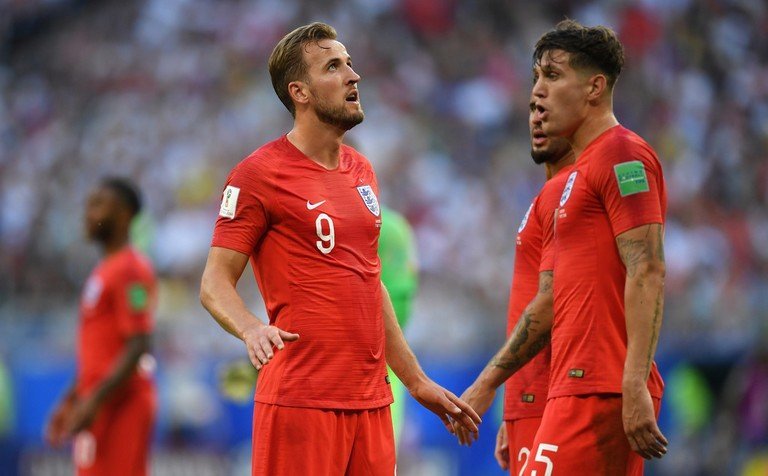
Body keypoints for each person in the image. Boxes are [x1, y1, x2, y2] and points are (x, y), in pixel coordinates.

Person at [199, 22, 479, 475]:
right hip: (301, 400)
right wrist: (251, 329)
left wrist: (415, 380)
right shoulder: (258, 174)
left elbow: (370, 282)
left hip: (372, 403)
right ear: (300, 92)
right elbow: (214, 282)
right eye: (333, 67)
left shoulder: (362, 171)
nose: (353, 75)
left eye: (349, 63)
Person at [464, 20, 668, 474]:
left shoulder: (623, 154)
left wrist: (634, 380)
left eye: (553, 76)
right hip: (571, 385)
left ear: (594, 87)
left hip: (600, 384)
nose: (537, 92)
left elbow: (648, 267)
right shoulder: (576, 177)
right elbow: (557, 293)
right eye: (536, 77)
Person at [454, 102, 575, 476]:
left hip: (556, 396)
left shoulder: (572, 192)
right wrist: (514, 407)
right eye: (533, 106)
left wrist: (487, 383)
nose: (538, 117)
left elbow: (552, 302)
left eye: (550, 104)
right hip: (532, 400)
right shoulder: (547, 196)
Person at [45, 178, 157, 476]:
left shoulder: (130, 270)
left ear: (123, 215)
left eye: (98, 205)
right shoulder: (105, 270)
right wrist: (72, 399)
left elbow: (139, 343)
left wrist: (93, 401)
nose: (88, 214)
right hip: (100, 401)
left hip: (122, 405)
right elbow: (99, 351)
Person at [377, 205, 419, 446]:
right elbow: (407, 286)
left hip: (376, 355)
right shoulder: (399, 225)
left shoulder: (383, 225)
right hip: (386, 355)